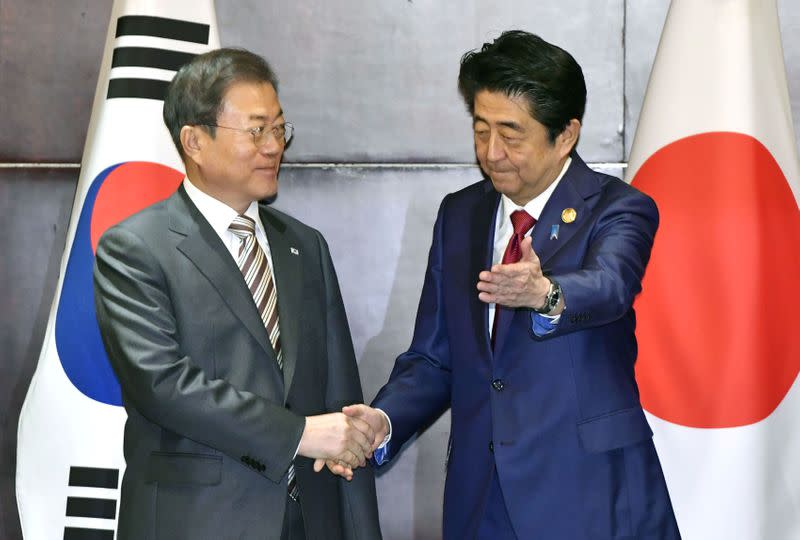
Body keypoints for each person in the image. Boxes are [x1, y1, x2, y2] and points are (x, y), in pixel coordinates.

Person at [344, 31, 681, 539]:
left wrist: (546, 294)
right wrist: (384, 420)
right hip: (481, 499)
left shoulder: (618, 208)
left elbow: (611, 286)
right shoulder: (460, 214)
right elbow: (436, 357)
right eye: (481, 129)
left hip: (589, 495)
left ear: (565, 135)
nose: (492, 152)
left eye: (511, 133)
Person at [93, 48, 381, 540]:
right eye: (255, 130)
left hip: (309, 522)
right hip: (199, 521)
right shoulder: (136, 248)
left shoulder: (304, 246)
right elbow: (163, 385)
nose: (273, 147)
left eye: (279, 129)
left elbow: (338, 390)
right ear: (195, 141)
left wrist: (355, 433)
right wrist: (300, 435)